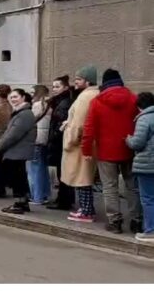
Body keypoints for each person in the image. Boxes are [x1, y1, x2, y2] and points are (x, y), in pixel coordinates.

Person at [82, 69, 142, 233]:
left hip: (106, 151)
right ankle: (137, 220)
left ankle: (115, 221)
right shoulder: (133, 98)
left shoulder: (97, 101)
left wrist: (86, 150)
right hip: (129, 148)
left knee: (109, 187)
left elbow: (89, 128)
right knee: (132, 186)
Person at [62, 65, 100, 223]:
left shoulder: (86, 97)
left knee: (81, 178)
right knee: (83, 177)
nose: (75, 82)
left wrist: (69, 141)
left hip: (80, 145)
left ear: (87, 81)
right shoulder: (92, 94)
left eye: (78, 79)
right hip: (88, 142)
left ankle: (86, 211)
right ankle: (86, 209)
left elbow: (79, 123)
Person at [0, 89, 38, 214]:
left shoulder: (24, 114)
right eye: (11, 97)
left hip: (18, 151)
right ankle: (22, 202)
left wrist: (0, 146)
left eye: (15, 97)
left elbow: (14, 134)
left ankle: (20, 203)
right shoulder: (19, 112)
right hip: (16, 150)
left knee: (17, 178)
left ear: (23, 98)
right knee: (19, 177)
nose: (13, 99)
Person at [126, 92, 154, 242]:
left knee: (148, 198)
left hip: (147, 165)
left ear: (139, 106)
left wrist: (128, 139)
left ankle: (150, 231)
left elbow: (138, 143)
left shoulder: (144, 118)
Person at [46, 75, 77, 211]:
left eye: (57, 86)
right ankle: (64, 199)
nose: (54, 89)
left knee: (63, 172)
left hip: (61, 142)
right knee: (62, 172)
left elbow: (61, 123)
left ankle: (64, 200)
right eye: (53, 86)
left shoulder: (64, 102)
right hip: (59, 141)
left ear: (65, 87)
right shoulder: (59, 101)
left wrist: (55, 136)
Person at [27, 84, 52, 205]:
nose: (31, 95)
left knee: (34, 170)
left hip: (36, 139)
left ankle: (36, 196)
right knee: (42, 168)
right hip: (45, 139)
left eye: (33, 92)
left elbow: (31, 122)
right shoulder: (50, 104)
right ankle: (45, 194)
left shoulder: (37, 105)